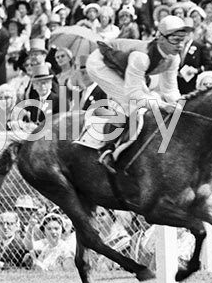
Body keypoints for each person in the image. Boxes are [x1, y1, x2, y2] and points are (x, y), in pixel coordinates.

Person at [79, 15, 191, 173]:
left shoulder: (174, 59)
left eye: (182, 39)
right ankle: (109, 150)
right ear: (160, 38)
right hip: (99, 63)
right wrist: (163, 105)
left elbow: (170, 90)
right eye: (175, 39)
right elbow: (134, 95)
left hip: (121, 65)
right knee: (129, 103)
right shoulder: (141, 57)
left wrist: (181, 106)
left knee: (152, 100)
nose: (180, 45)